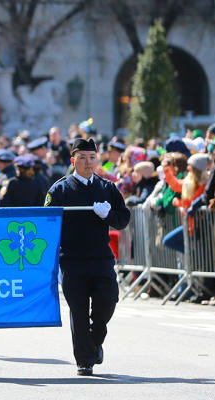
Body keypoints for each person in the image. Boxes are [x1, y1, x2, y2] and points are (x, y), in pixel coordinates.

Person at [44, 138, 130, 376]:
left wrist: (108, 214)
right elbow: (47, 224)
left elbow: (123, 219)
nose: (88, 162)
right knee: (79, 311)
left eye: (92, 157)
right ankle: (85, 359)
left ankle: (95, 341)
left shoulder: (107, 188)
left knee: (107, 302)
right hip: (72, 260)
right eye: (82, 158)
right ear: (73, 161)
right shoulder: (59, 189)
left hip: (101, 258)